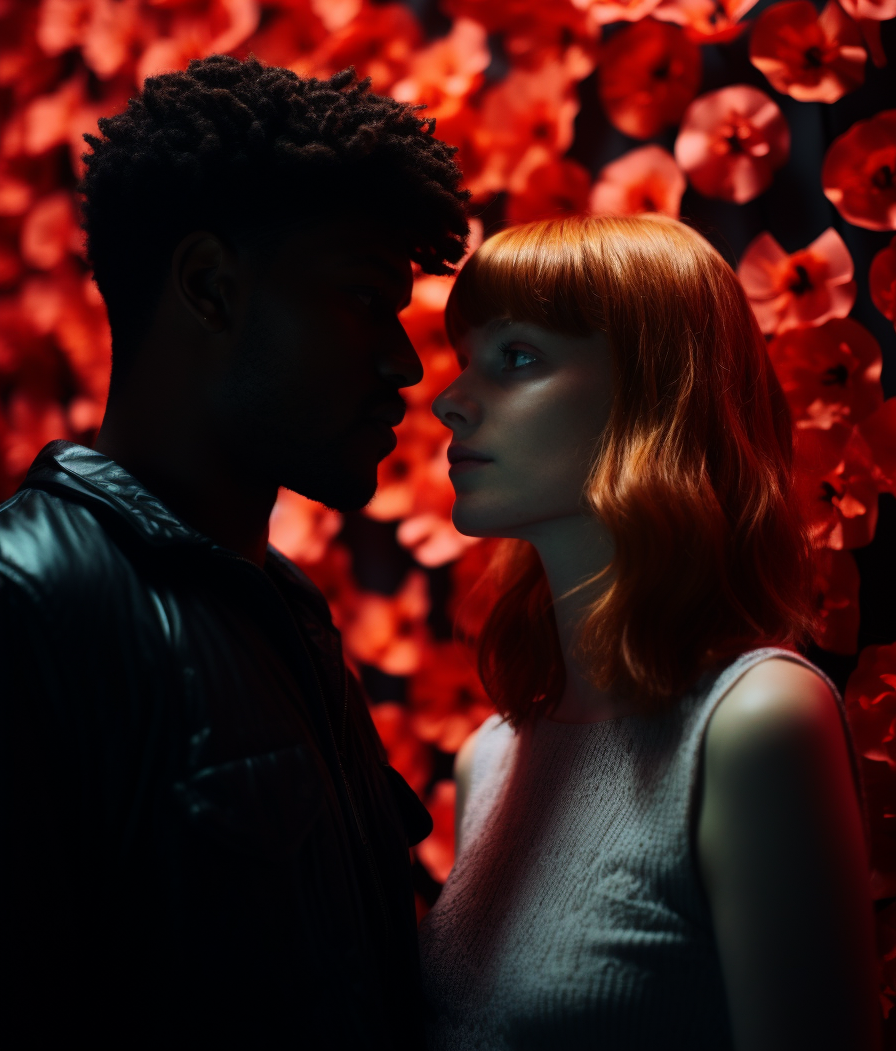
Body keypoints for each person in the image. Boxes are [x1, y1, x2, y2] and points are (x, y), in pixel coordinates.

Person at [0, 56, 470, 1047]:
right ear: (210, 287)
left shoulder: (283, 606)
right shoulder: (29, 602)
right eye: (358, 297)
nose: (403, 363)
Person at [421, 213, 881, 1051]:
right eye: (464, 361)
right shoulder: (490, 756)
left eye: (516, 358)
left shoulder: (753, 724)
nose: (451, 401)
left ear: (653, 390)